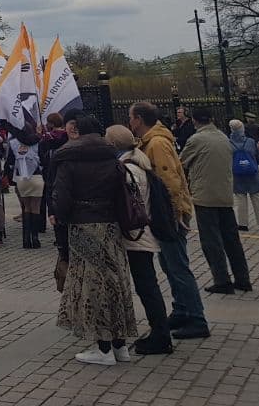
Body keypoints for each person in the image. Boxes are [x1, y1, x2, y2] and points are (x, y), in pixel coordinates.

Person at [50, 114, 137, 365]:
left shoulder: (68, 160)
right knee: (115, 280)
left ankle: (103, 346)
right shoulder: (112, 158)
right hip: (110, 224)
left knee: (92, 283)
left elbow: (62, 198)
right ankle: (120, 344)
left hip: (84, 224)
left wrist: (60, 216)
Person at [128, 102, 209, 340]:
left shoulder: (157, 143)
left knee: (178, 266)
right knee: (169, 263)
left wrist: (176, 213)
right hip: (163, 213)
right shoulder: (153, 141)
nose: (130, 122)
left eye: (131, 118)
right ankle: (182, 308)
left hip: (168, 214)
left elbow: (169, 179)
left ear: (140, 119)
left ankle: (196, 317)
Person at [106, 125, 172, 356]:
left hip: (135, 235)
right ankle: (160, 330)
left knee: (146, 285)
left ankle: (161, 334)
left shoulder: (127, 169)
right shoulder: (140, 163)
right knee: (147, 284)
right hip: (143, 232)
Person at [180, 107, 252, 294]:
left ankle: (222, 279)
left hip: (205, 196)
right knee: (231, 239)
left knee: (211, 240)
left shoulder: (196, 139)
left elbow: (182, 161)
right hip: (225, 194)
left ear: (194, 120)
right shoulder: (222, 137)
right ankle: (243, 278)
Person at [228, 119, 259, 232]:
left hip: (237, 174)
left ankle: (243, 224)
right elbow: (257, 156)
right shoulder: (250, 141)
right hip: (252, 172)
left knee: (240, 198)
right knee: (256, 197)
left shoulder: (228, 143)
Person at [7, 126, 44, 248]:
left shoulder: (13, 143)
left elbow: (10, 163)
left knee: (26, 207)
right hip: (36, 176)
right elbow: (43, 159)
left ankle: (26, 239)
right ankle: (35, 238)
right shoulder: (39, 141)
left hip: (22, 178)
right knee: (36, 207)